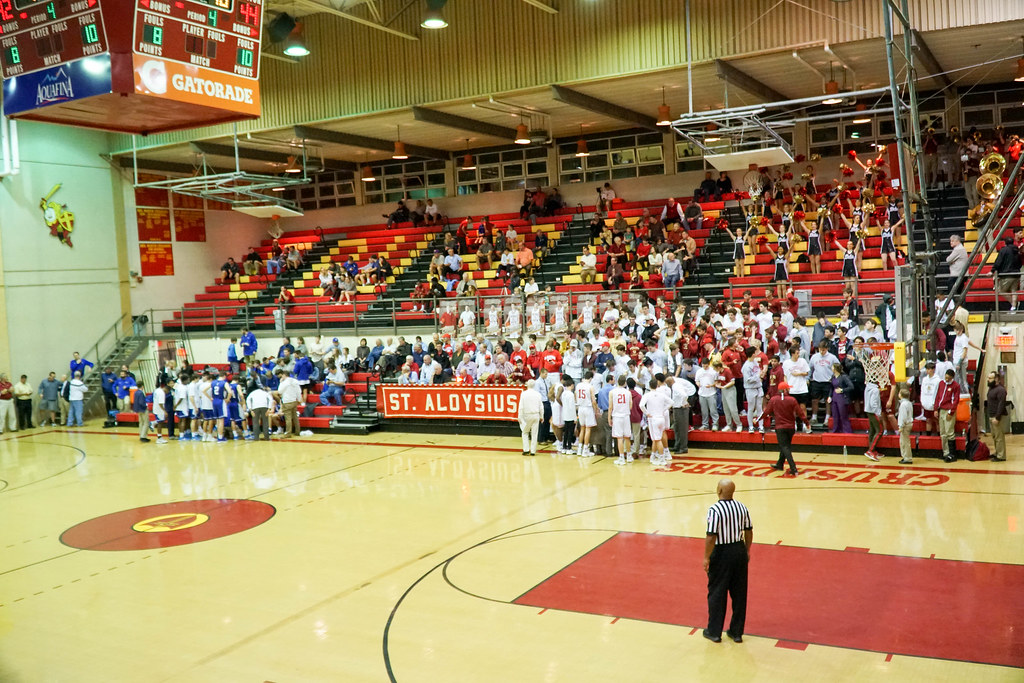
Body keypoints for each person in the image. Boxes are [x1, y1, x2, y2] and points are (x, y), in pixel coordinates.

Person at [702, 478, 752, 644]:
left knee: (717, 592)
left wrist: (706, 557)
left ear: (720, 491)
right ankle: (736, 632)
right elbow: (749, 530)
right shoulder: (742, 507)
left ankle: (714, 632)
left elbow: (711, 536)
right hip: (738, 551)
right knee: (739, 594)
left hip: (722, 552)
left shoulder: (715, 509)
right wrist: (747, 550)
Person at [765, 382, 805, 475]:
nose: (790, 390)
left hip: (780, 427)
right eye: (788, 388)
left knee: (784, 446)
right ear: (785, 390)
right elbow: (800, 412)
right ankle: (780, 464)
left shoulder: (773, 399)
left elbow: (766, 411)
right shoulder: (792, 400)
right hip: (791, 427)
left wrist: (758, 419)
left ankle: (793, 468)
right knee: (785, 445)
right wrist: (806, 422)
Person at [935, 368, 960, 462]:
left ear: (952, 378)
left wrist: (951, 412)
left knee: (949, 432)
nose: (946, 379)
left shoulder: (956, 386)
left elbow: (955, 400)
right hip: (941, 410)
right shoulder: (941, 383)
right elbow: (938, 396)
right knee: (943, 433)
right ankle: (945, 453)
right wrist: (936, 409)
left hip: (949, 411)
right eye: (945, 377)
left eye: (948, 378)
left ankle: (952, 454)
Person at [609, 375, 633, 465]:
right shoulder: (628, 392)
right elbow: (631, 406)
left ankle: (621, 457)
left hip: (617, 416)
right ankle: (629, 456)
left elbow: (610, 407)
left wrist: (609, 418)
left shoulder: (612, 392)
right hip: (626, 415)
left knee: (619, 437)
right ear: (625, 383)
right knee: (627, 437)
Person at [993, 238, 1020, 312]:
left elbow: (998, 261)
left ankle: (1014, 304)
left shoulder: (1004, 250)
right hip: (1017, 274)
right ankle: (1014, 307)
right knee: (1014, 291)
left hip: (1006, 274)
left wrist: (993, 270)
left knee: (1001, 291)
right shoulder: (1017, 250)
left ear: (1005, 243)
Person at [517, 379, 543, 456]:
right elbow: (541, 406)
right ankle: (533, 451)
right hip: (536, 415)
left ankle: (526, 449)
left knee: (525, 432)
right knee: (534, 434)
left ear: (527, 385)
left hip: (527, 415)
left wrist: (519, 416)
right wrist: (542, 416)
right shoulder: (538, 394)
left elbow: (521, 406)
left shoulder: (523, 394)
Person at [986, 372, 1008, 462]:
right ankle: (997, 452)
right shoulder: (991, 389)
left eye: (990, 378)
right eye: (988, 378)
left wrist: (997, 417)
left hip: (997, 416)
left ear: (996, 379)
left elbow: (1001, 404)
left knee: (999, 437)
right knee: (995, 436)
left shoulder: (1001, 390)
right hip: (991, 415)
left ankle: (1001, 456)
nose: (988, 380)